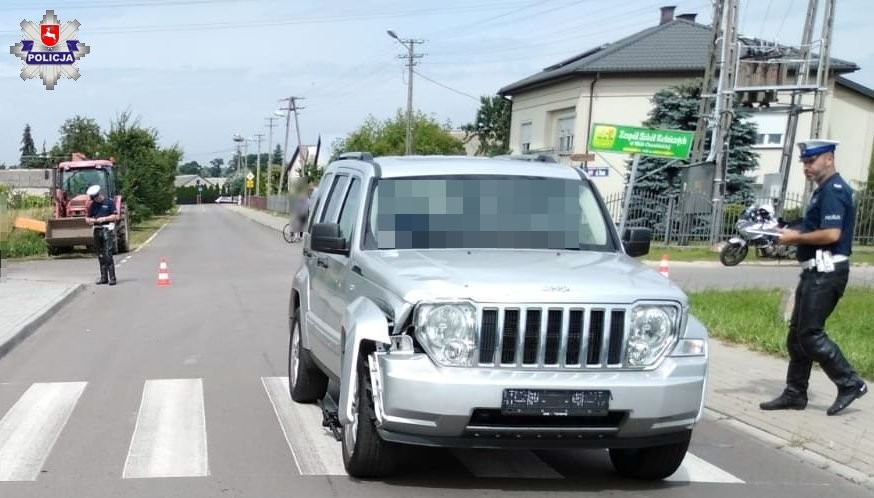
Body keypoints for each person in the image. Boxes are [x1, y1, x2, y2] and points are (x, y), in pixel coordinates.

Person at [760, 139, 867, 416]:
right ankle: (795, 393)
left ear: (828, 159)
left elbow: (832, 234)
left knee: (810, 334)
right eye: (805, 163)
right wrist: (782, 229)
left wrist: (795, 238)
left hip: (827, 272)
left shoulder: (834, 190)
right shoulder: (822, 191)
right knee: (796, 337)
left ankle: (850, 382)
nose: (806, 167)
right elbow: (812, 226)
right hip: (814, 272)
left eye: (811, 161)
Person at [84, 184, 120, 286]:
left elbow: (116, 216)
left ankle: (112, 277)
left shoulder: (109, 202)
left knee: (108, 253)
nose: (94, 201)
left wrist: (104, 219)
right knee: (100, 254)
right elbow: (87, 218)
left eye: (95, 198)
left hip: (107, 229)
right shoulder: (93, 205)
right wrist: (91, 220)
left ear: (98, 196)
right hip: (97, 229)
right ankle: (103, 277)